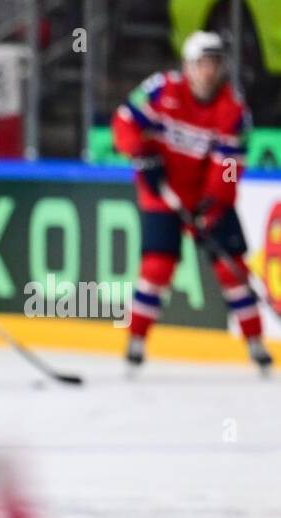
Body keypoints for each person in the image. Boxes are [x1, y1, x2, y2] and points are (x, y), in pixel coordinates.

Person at [113, 30, 272, 371]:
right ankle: (136, 340)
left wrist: (213, 204)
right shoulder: (161, 89)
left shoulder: (233, 110)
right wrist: (140, 153)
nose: (208, 72)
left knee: (233, 270)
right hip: (161, 192)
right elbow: (124, 122)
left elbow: (229, 169)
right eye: (201, 64)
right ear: (187, 65)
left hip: (206, 198)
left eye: (214, 64)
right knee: (156, 268)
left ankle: (256, 343)